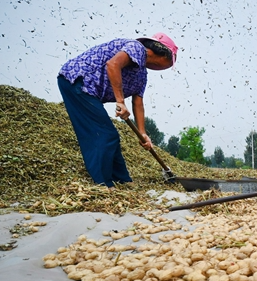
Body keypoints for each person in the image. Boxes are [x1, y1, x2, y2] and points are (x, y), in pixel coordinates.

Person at [57, 33, 178, 187]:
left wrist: (143, 133)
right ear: (162, 53)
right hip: (77, 81)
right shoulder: (136, 48)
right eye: (170, 61)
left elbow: (138, 102)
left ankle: (122, 180)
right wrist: (120, 102)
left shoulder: (141, 73)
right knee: (103, 134)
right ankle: (103, 184)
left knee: (110, 135)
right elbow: (113, 65)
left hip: (90, 92)